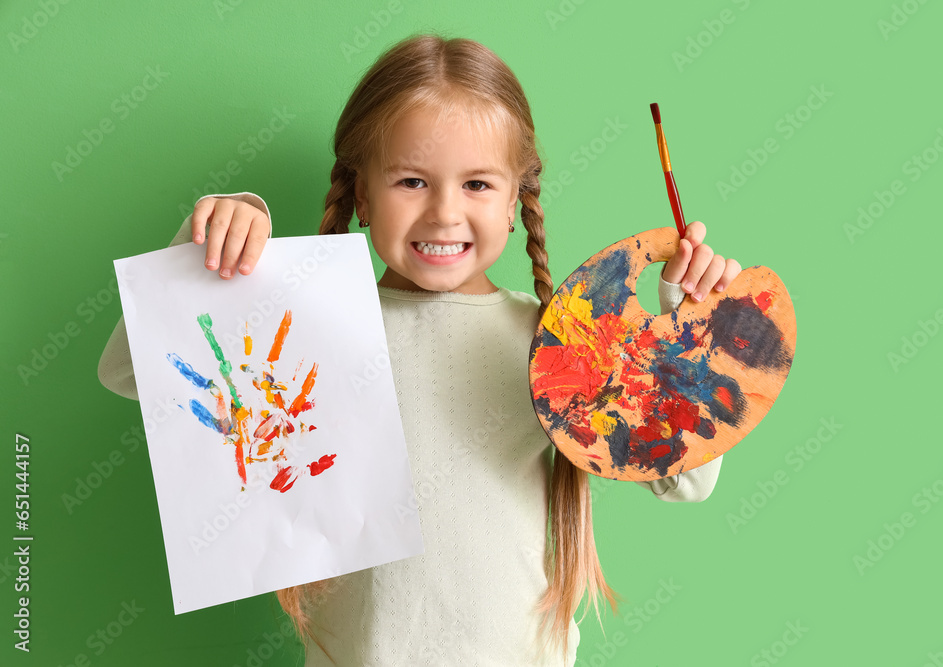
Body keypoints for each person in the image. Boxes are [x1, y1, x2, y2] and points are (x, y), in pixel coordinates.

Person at [98, 34, 742, 666]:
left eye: (478, 185)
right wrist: (208, 243)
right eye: (411, 180)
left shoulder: (556, 342)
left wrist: (684, 330)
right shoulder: (302, 331)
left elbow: (684, 481)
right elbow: (126, 370)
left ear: (517, 199)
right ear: (361, 193)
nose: (443, 212)